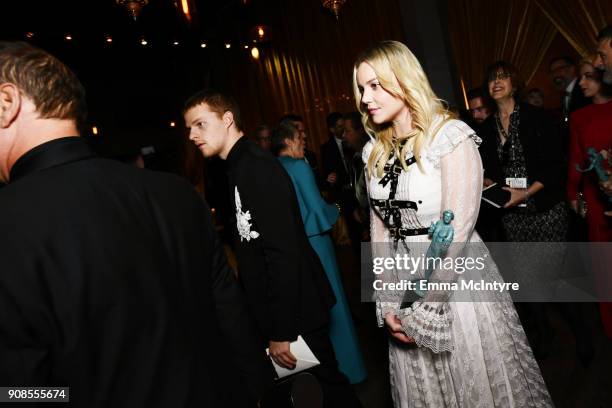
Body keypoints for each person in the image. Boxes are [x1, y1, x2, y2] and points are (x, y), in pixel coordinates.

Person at [0, 42, 273, 407]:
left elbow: (23, 390)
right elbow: (229, 314)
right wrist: (261, 392)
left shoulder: (10, 219)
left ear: (7, 103)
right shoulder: (174, 192)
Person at [355, 40, 551, 407]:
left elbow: (458, 231)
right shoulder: (373, 151)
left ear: (403, 78)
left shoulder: (450, 137)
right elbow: (380, 229)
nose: (366, 98)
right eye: (362, 88)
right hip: (402, 278)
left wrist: (428, 305)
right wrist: (387, 298)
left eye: (375, 85)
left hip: (456, 284)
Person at [183, 89, 363, 407]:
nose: (193, 134)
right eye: (189, 128)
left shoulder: (254, 166)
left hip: (295, 316)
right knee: (310, 396)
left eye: (199, 124)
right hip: (286, 315)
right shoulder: (237, 166)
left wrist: (282, 331)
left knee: (328, 393)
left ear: (227, 119)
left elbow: (283, 251)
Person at [271, 121, 367, 384]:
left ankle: (326, 372)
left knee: (314, 306)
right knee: (334, 303)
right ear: (288, 141)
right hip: (317, 242)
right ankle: (351, 371)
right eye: (300, 138)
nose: (305, 141)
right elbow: (316, 208)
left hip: (294, 245)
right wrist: (336, 208)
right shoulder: (299, 166)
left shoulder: (274, 167)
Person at [479, 61, 568, 242]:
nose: (495, 83)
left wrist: (525, 193)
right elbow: (488, 168)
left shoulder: (537, 117)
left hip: (546, 209)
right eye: (491, 79)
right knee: (523, 270)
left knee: (551, 270)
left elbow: (555, 164)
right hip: (511, 215)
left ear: (515, 85)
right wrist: (487, 182)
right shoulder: (486, 128)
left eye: (502, 77)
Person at [567, 58, 612, 241]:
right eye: (580, 77)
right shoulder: (579, 116)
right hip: (594, 192)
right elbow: (576, 158)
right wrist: (572, 193)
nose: (581, 83)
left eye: (588, 77)